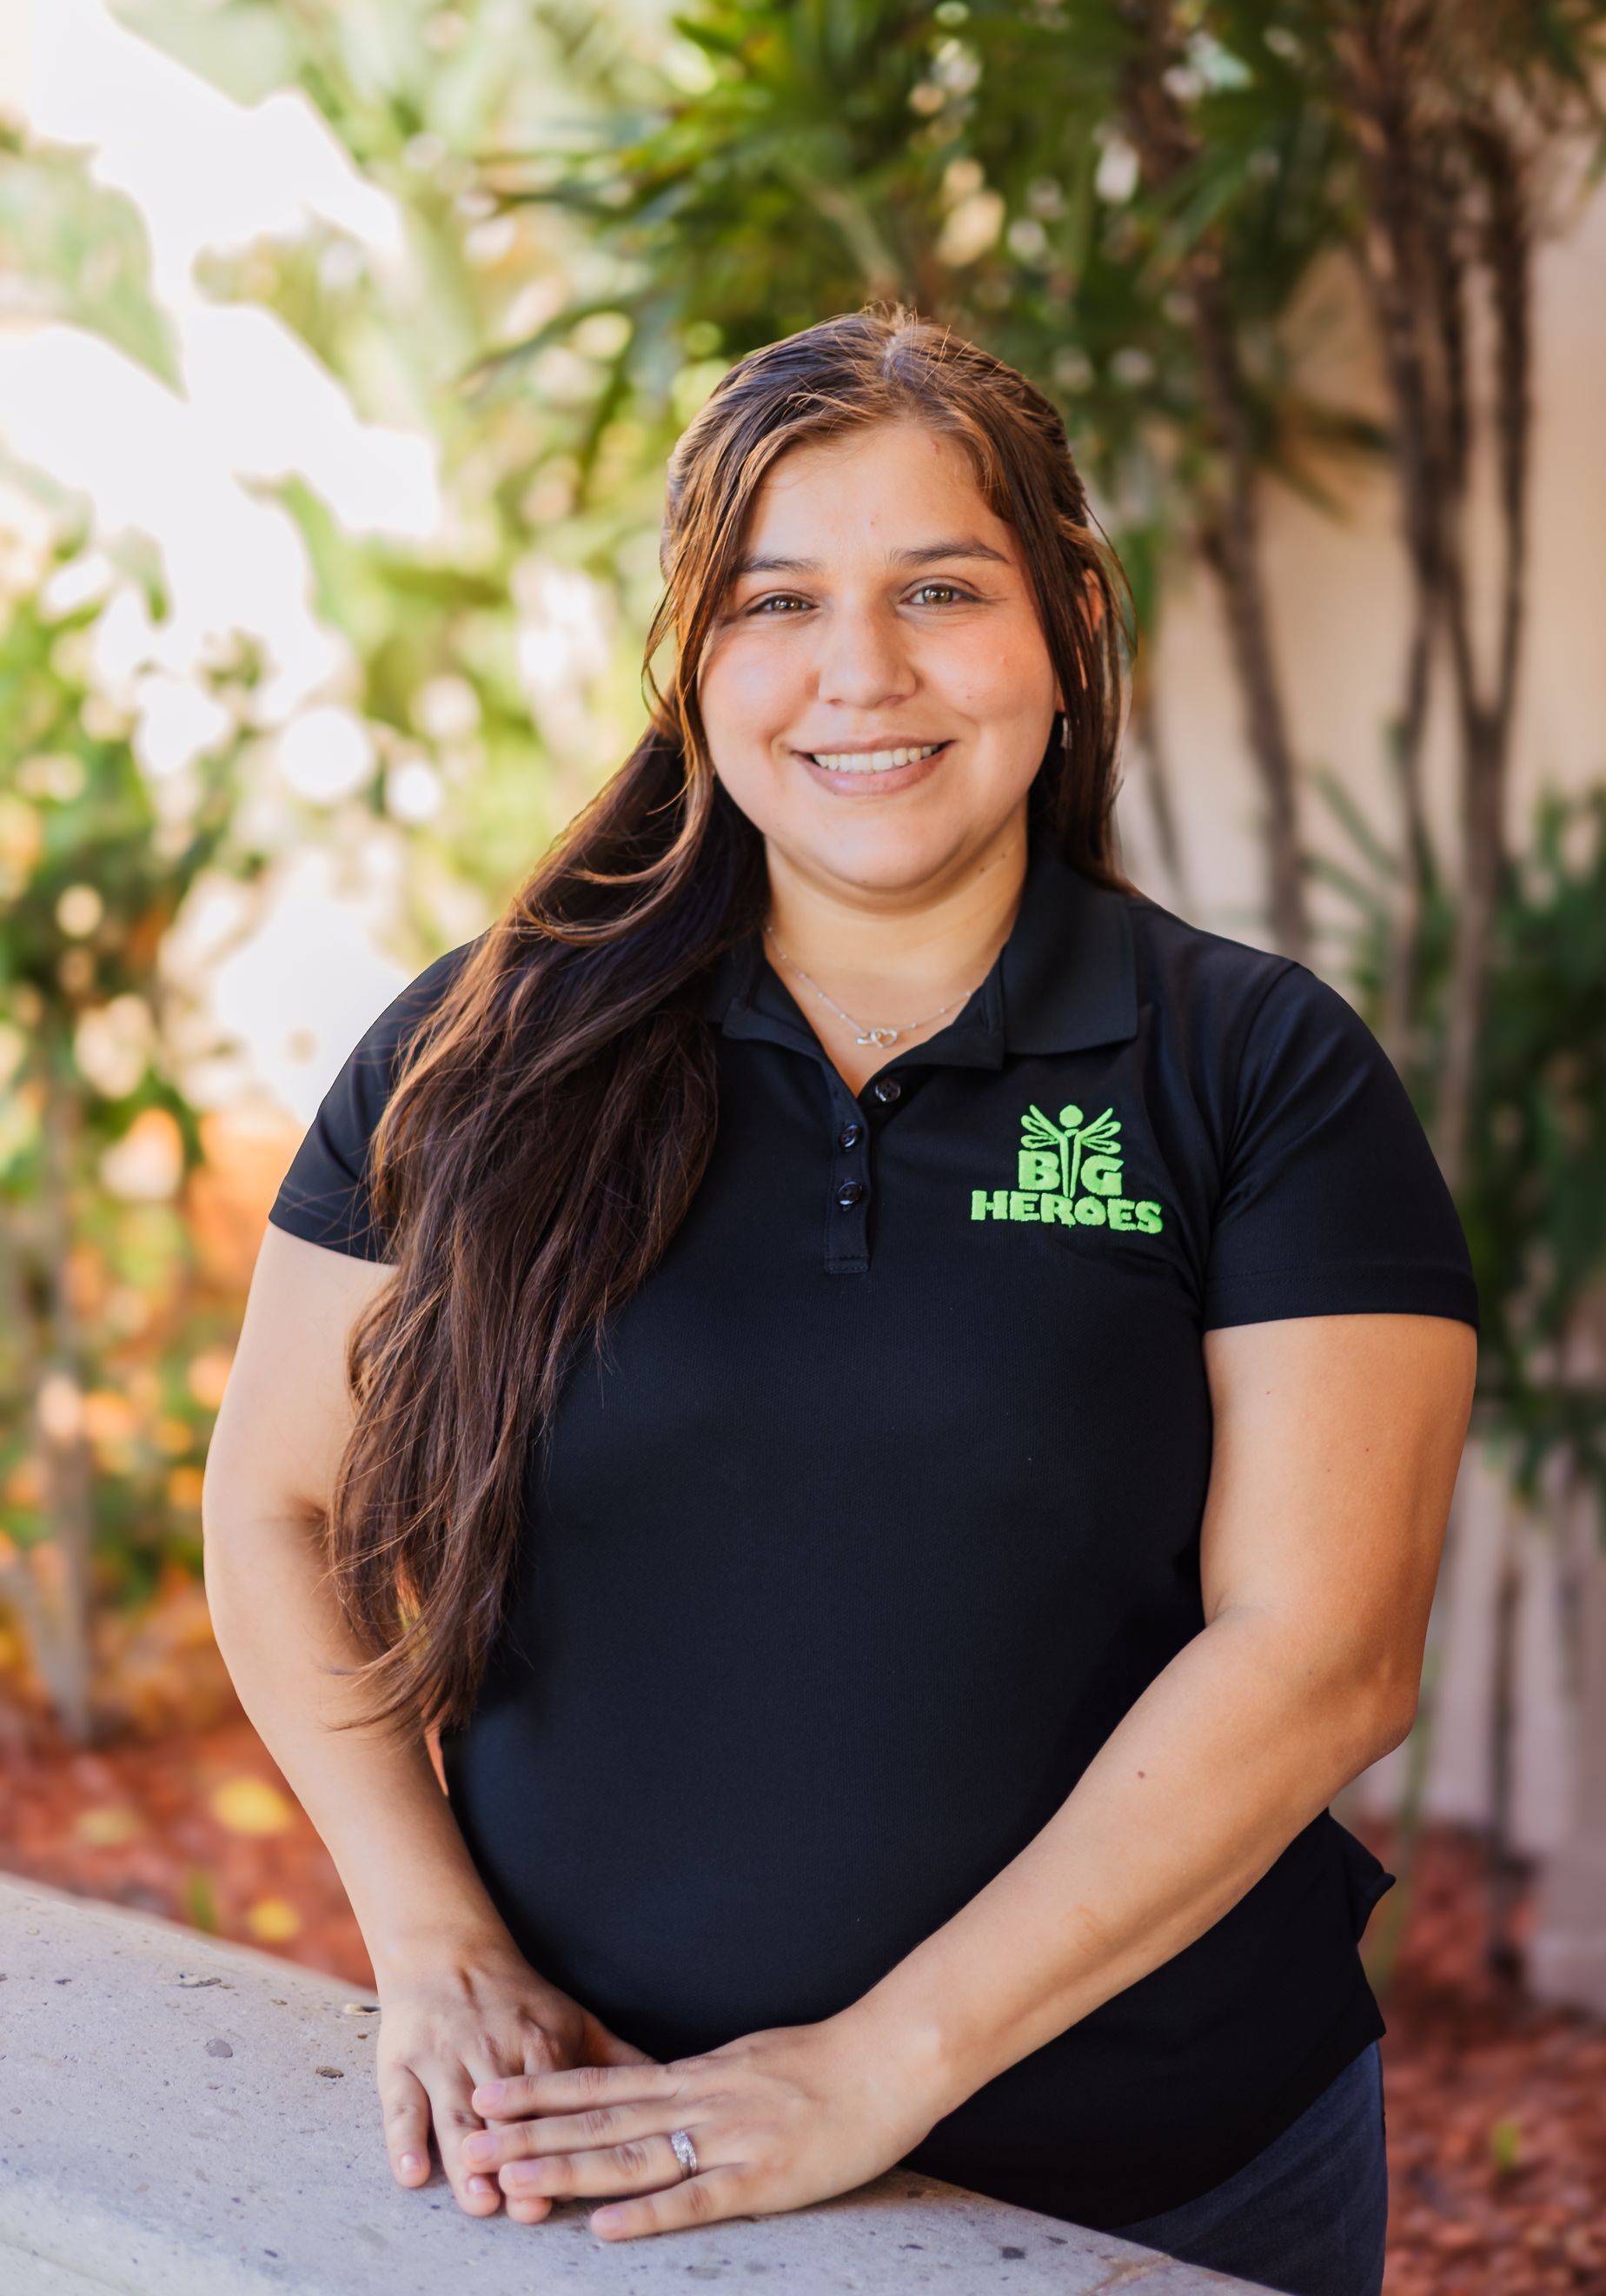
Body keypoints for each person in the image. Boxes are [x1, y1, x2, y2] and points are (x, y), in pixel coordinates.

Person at [203, 305, 1477, 2296]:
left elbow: (1325, 1651)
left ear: (1064, 619)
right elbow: (278, 1505)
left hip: (1159, 2185)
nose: (859, 674)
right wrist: (432, 1941)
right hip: (589, 2161)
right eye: (778, 598)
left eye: (941, 589)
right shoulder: (482, 1052)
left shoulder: (1255, 1069)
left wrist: (875, 2072)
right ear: (697, 664)